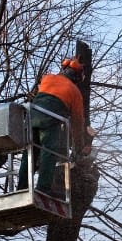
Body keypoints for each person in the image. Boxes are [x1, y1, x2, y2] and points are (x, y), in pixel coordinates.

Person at [19, 57, 87, 197]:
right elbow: (77, 123)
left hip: (31, 117)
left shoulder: (47, 78)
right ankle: (43, 187)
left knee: (30, 152)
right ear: (76, 77)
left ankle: (22, 187)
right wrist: (78, 146)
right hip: (50, 120)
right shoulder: (75, 92)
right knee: (49, 152)